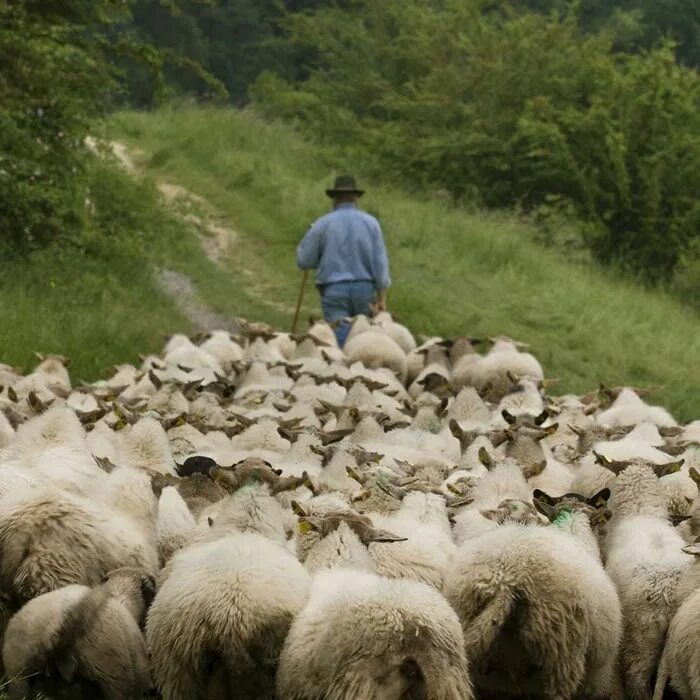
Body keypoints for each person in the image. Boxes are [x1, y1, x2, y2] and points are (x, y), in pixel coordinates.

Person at [296, 175, 391, 347]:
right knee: (362, 338)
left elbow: (304, 260)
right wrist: (382, 297)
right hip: (365, 290)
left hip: (334, 290)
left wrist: (322, 258)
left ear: (334, 199)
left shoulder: (322, 224)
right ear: (355, 198)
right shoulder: (371, 223)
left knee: (339, 340)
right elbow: (380, 263)